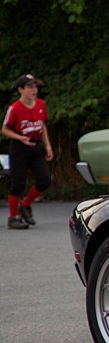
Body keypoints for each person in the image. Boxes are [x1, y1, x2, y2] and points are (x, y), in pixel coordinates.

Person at [3, 74, 52, 230]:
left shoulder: (41, 105)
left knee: (44, 179)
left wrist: (48, 146)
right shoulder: (15, 108)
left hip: (36, 146)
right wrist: (20, 138)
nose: (34, 90)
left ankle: (25, 205)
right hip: (20, 147)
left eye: (35, 87)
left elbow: (42, 126)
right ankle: (13, 217)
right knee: (18, 182)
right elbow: (4, 129)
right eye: (30, 87)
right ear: (20, 90)